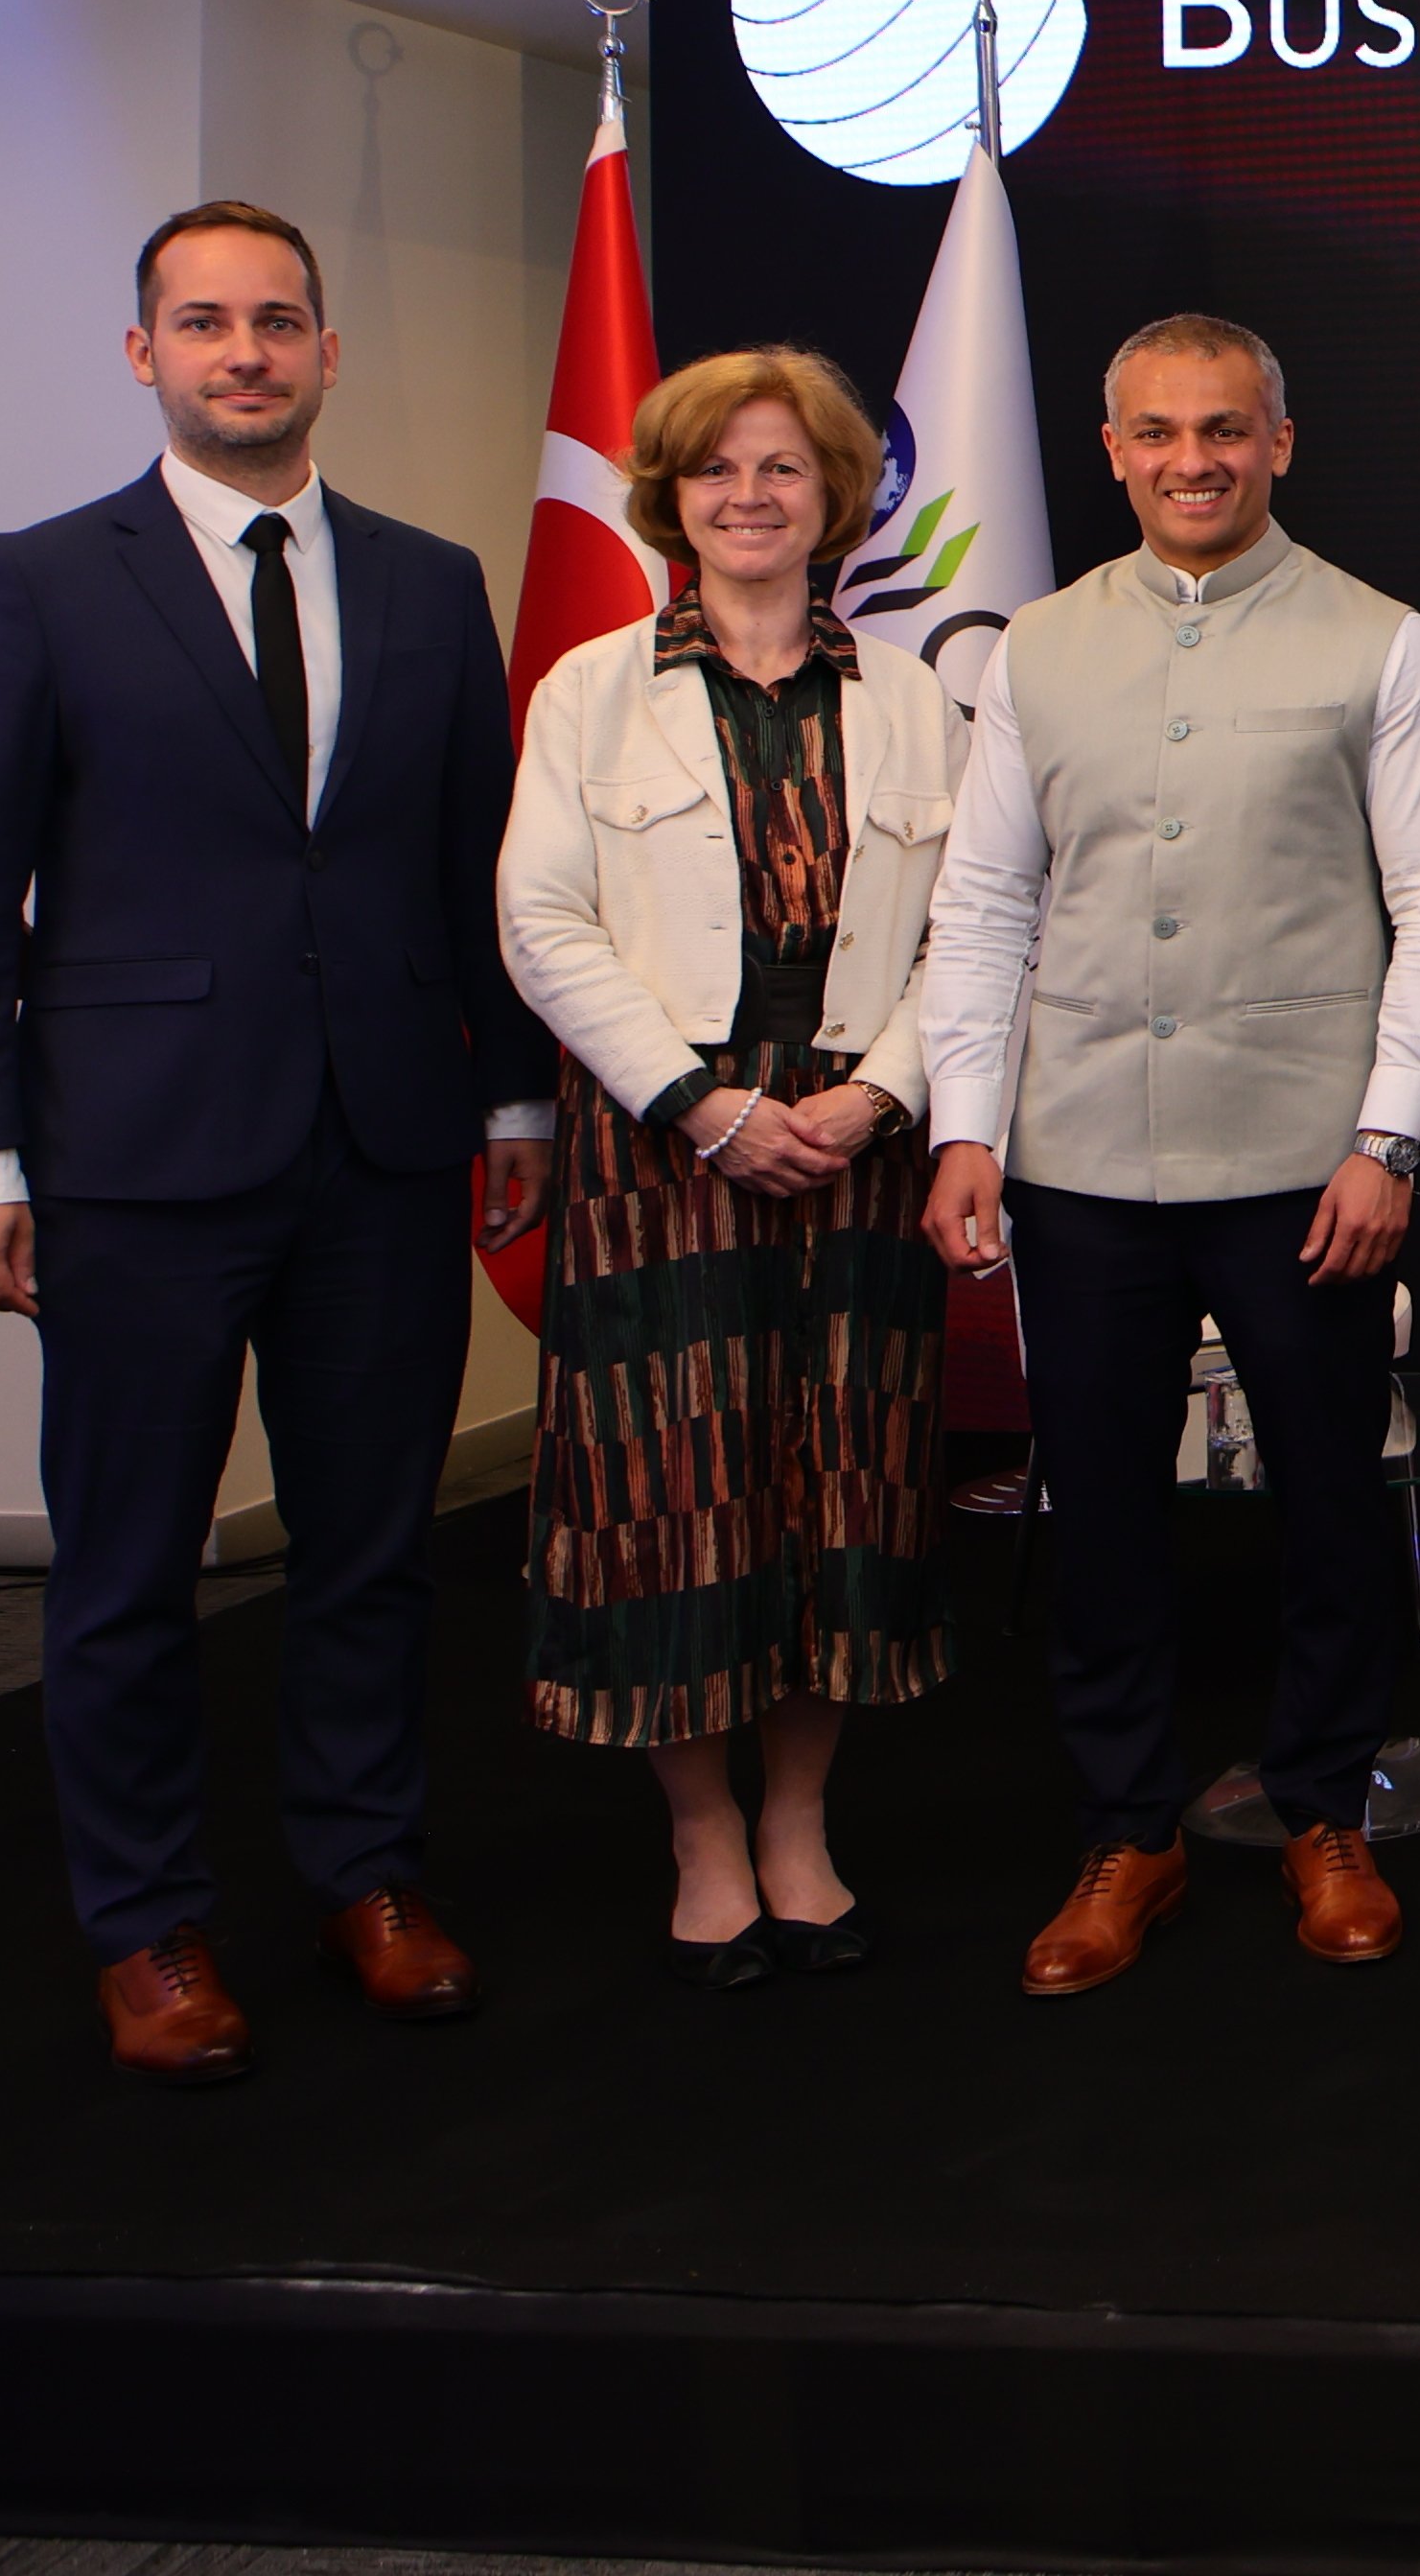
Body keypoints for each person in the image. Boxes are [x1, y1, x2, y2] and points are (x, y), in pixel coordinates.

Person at [0, 200, 554, 2085]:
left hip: (383, 1143)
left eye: (277, 320)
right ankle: (147, 1922)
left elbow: (471, 861)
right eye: (205, 322)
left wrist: (510, 1091)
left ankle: (366, 1875)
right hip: (131, 1160)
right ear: (144, 355)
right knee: (128, 1569)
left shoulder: (430, 583)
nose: (245, 351)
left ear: (328, 349)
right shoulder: (32, 580)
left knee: (370, 1549)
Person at [913, 315, 1420, 1993]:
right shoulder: (1032, 647)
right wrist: (966, 1126)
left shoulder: (1384, 644)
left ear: (1280, 443)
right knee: (1100, 1510)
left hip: (1309, 1160)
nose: (1193, 461)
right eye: (1158, 433)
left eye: (1225, 430)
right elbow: (987, 901)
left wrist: (1387, 1140)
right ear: (1112, 451)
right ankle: (1128, 1834)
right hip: (1078, 1158)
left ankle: (1323, 1810)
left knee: (1327, 1497)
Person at [496, 347, 960, 1987]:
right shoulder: (589, 690)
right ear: (668, 501)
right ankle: (702, 1837)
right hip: (664, 1146)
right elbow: (540, 923)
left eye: (783, 470)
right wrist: (698, 1105)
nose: (752, 500)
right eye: (717, 474)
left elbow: (975, 934)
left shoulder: (916, 701)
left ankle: (797, 1824)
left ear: (837, 496)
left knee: (843, 1486)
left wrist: (882, 1096)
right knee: (668, 1495)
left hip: (856, 1148)